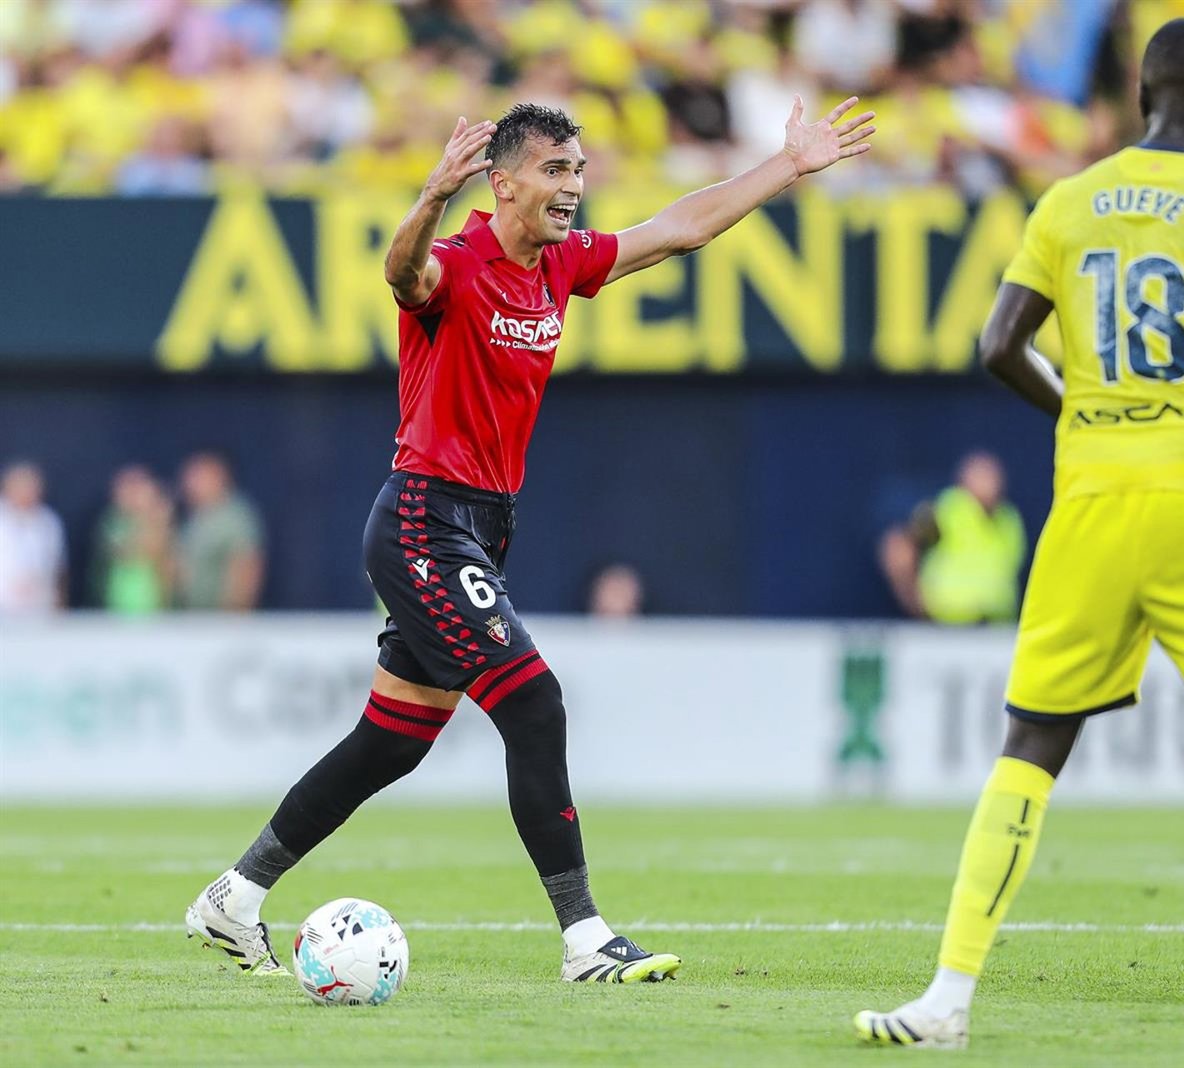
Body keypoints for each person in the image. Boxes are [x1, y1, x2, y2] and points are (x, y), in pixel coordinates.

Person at [186, 97, 875, 982]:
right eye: (555, 170)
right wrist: (431, 194)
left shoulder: (561, 264)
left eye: (578, 170)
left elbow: (680, 229)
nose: (574, 187)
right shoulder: (457, 262)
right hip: (424, 519)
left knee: (393, 739)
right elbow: (401, 273)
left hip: (481, 526)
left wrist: (789, 165)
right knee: (535, 702)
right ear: (502, 183)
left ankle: (235, 896)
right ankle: (584, 939)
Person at [855, 18, 1184, 1052]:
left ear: (1139, 99)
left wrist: (1089, 408)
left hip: (1094, 497)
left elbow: (997, 346)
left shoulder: (1067, 202)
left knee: (1032, 744)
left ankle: (945, 999)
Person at [878, 451, 1026, 624]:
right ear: (965, 481)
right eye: (982, 477)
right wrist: (912, 599)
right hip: (948, 626)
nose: (989, 484)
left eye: (992, 477)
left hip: (996, 627)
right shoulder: (945, 511)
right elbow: (898, 546)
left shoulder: (1009, 519)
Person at [173, 451, 265, 611]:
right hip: (193, 618)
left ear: (219, 476)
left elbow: (247, 567)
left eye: (198, 475)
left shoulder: (235, 517)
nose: (190, 482)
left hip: (221, 619)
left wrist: (234, 614)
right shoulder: (194, 519)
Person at [90, 465, 175, 614]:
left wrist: (157, 519)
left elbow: (162, 556)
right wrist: (149, 517)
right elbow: (127, 552)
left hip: (153, 602)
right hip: (120, 601)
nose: (133, 494)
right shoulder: (113, 521)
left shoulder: (159, 521)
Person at [0, 461, 67, 615]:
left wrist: (59, 608)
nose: (26, 493)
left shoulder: (49, 522)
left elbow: (60, 569)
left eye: (31, 487)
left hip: (39, 609)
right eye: (21, 487)